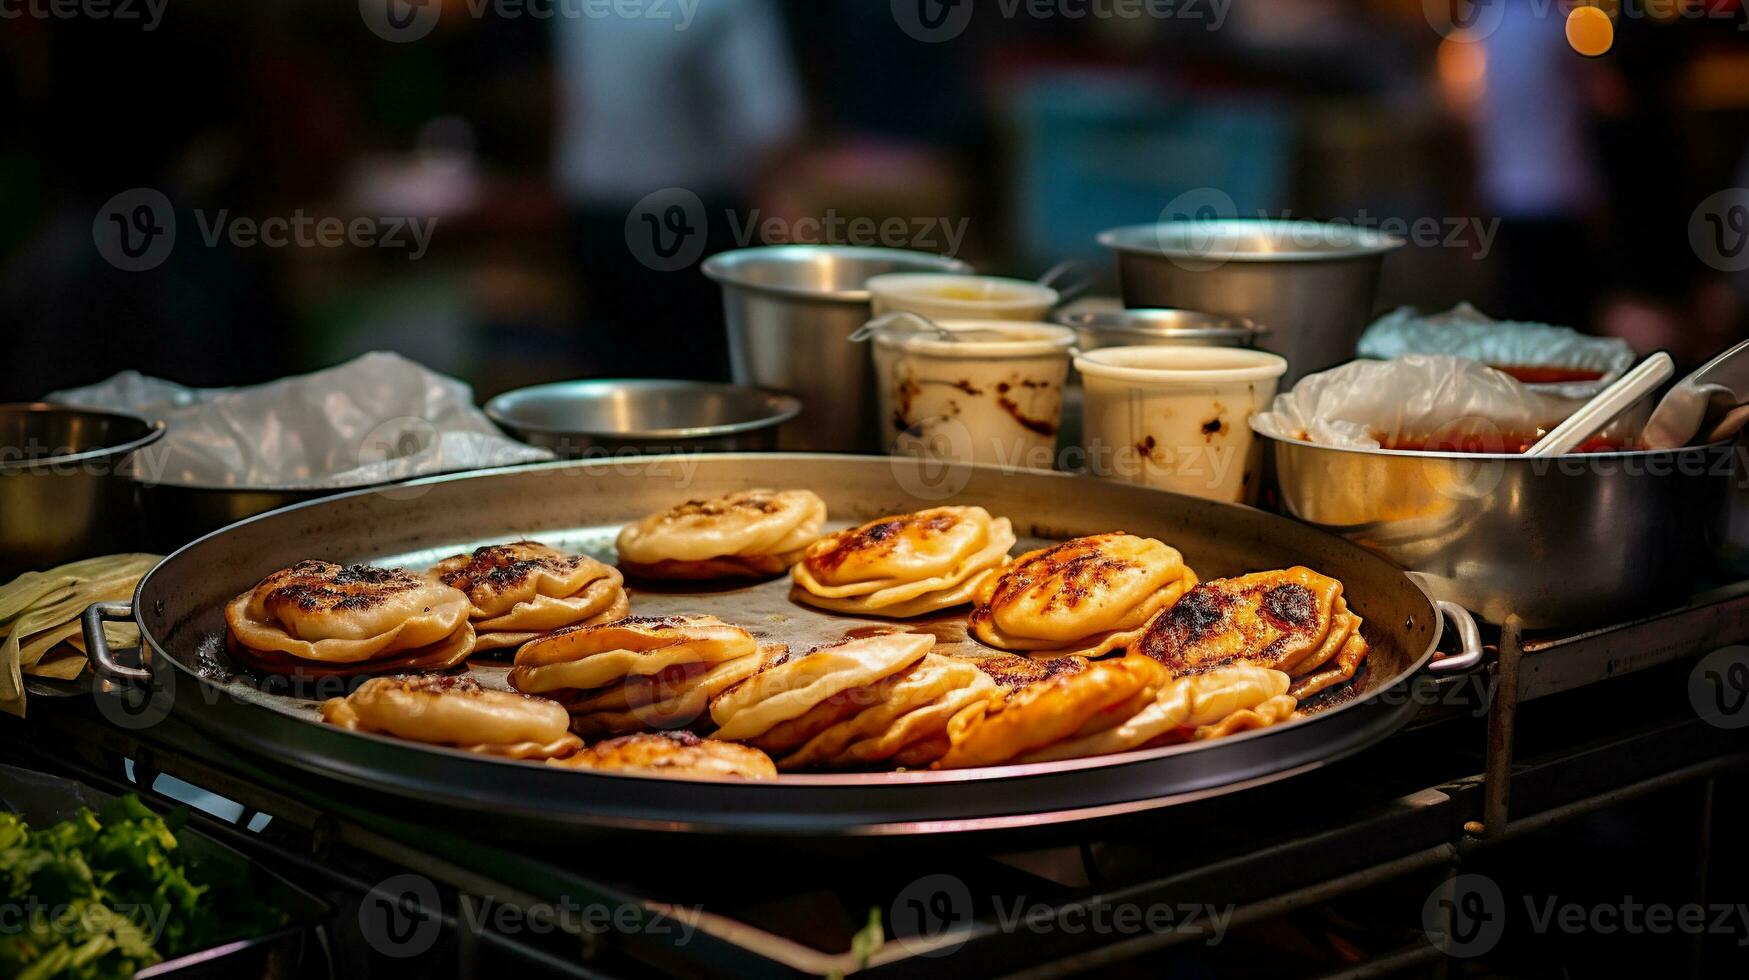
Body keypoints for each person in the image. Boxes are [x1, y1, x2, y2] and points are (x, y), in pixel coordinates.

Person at [552, 0, 804, 381]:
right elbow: (768, 126)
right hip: (693, 221)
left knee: (616, 378)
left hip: (594, 215)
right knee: (701, 385)